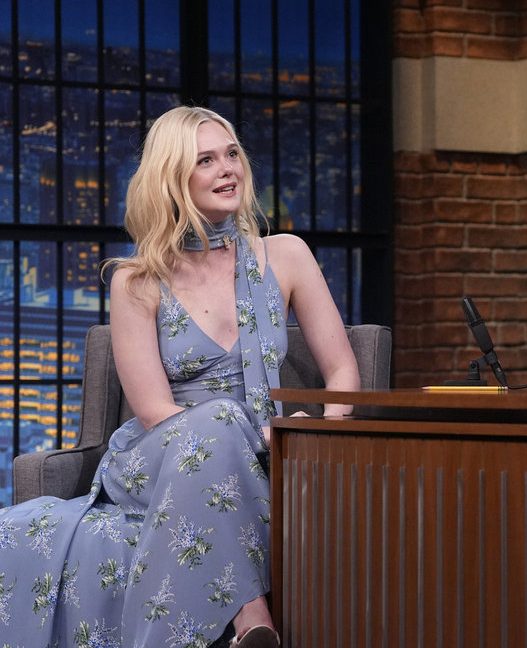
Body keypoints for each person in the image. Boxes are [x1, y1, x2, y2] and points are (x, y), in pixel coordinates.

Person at [0, 106, 360, 647]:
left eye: (232, 154)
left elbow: (341, 367)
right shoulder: (136, 280)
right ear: (173, 178)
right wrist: (241, 434)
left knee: (225, 423)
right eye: (206, 160)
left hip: (270, 447)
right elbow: (152, 410)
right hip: (160, 454)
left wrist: (322, 436)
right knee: (218, 419)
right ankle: (252, 616)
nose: (227, 169)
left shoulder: (287, 256)